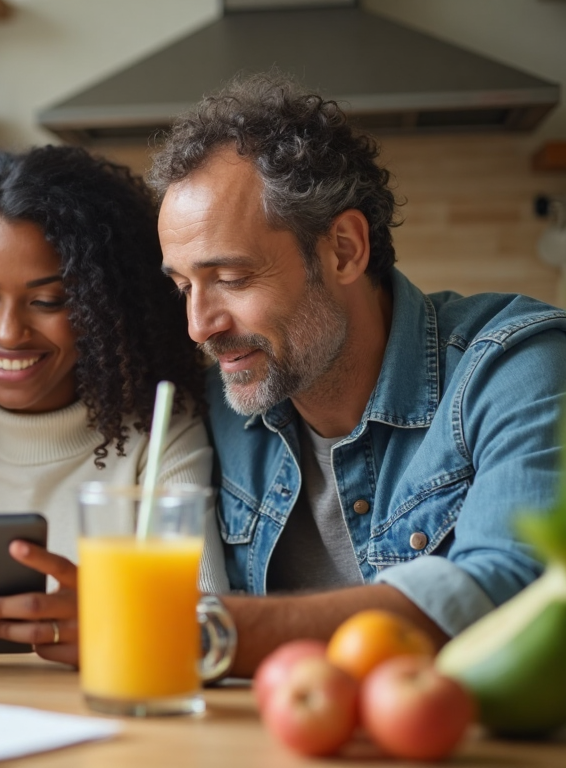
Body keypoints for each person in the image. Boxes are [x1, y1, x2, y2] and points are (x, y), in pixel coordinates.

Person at [149, 73, 566, 677]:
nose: (199, 325)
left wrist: (182, 630)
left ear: (343, 249)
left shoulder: (515, 366)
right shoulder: (216, 407)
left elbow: (515, 596)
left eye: (232, 279)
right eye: (183, 286)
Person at [0, 145, 220, 665]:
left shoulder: (161, 437)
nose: (9, 332)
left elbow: (208, 622)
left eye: (47, 301)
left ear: (101, 304)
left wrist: (117, 627)